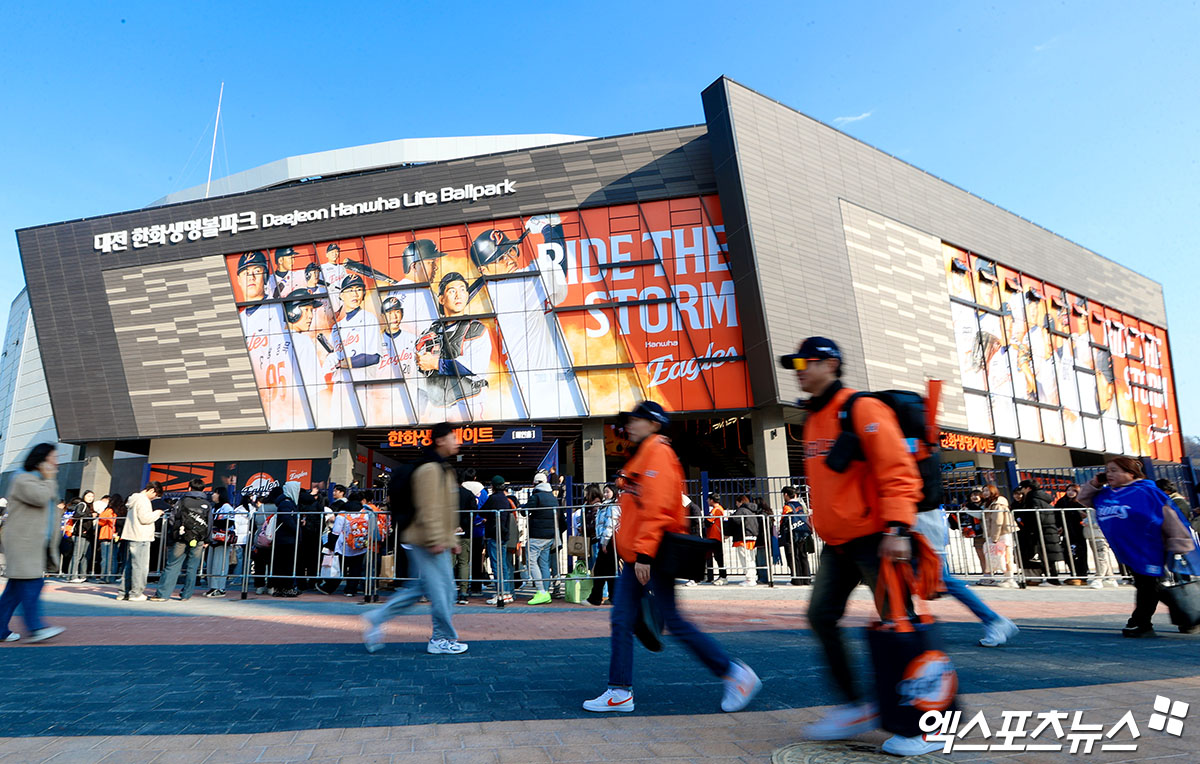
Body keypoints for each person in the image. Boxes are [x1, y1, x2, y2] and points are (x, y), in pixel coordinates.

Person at [783, 336, 935, 756]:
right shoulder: (814, 419)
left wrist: (898, 529)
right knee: (820, 617)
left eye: (805, 362)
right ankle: (856, 706)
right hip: (839, 544)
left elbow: (898, 470)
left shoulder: (862, 408)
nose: (799, 369)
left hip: (877, 539)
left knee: (899, 625)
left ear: (830, 364)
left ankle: (926, 724)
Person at [582, 401, 761, 715]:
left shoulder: (658, 455)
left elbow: (659, 511)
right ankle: (620, 690)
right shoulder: (646, 453)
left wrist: (644, 555)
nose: (630, 425)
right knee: (628, 620)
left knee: (660, 621)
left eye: (637, 420)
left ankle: (733, 673)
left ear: (654, 424)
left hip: (650, 555)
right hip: (642, 555)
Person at [362, 422, 468, 655]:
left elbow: (444, 509)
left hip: (433, 539)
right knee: (443, 591)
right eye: (453, 437)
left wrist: (450, 539)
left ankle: (378, 616)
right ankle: (441, 638)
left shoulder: (441, 468)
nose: (457, 441)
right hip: (428, 540)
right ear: (440, 440)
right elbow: (428, 508)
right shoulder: (431, 469)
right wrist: (436, 539)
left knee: (422, 587)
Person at [1078, 458, 1200, 638]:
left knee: (1148, 585)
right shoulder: (1107, 494)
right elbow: (1084, 498)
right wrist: (1095, 482)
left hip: (1151, 547)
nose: (1109, 474)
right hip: (1129, 550)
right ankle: (1191, 616)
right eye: (1108, 471)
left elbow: (1169, 517)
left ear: (1131, 473)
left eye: (1114, 470)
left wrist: (1178, 541)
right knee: (1150, 585)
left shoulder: (1147, 492)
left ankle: (1140, 623)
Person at [916, 505, 1019, 647]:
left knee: (943, 579)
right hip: (916, 524)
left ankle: (992, 619)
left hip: (918, 525)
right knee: (941, 579)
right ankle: (992, 619)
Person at [0, 443, 66, 643]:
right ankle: (35, 627)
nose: (56, 462)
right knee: (32, 583)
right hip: (22, 542)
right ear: (41, 460)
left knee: (15, 589)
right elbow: (40, 498)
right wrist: (50, 478)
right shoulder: (22, 478)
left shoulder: (36, 480)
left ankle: (1, 629)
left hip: (32, 543)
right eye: (53, 457)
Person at [152, 478, 212, 602]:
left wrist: (172, 535)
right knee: (192, 566)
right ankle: (186, 594)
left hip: (181, 537)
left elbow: (173, 519)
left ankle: (163, 594)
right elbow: (210, 523)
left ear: (189, 488)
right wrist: (207, 539)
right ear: (203, 489)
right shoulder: (207, 504)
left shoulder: (182, 501)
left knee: (173, 565)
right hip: (199, 539)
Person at [525, 472, 567, 605]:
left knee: (531, 562)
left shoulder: (536, 496)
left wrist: (521, 508)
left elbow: (525, 510)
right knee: (544, 563)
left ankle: (541, 591)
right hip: (550, 536)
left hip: (537, 535)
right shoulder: (552, 497)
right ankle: (546, 591)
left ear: (536, 483)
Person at [120, 481, 165, 602]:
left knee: (130, 566)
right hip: (142, 536)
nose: (154, 498)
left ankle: (124, 592)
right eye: (155, 495)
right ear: (151, 491)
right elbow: (145, 519)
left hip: (132, 534)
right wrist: (157, 513)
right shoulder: (144, 500)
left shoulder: (133, 498)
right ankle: (136, 593)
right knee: (140, 567)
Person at [1014, 479, 1064, 584]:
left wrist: (1025, 523)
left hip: (1040, 531)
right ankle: (1052, 579)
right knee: (1047, 556)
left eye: (1022, 488)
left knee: (1044, 556)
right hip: (1046, 530)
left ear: (1028, 488)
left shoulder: (1033, 499)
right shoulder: (1041, 497)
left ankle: (1052, 580)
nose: (1021, 491)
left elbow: (1035, 517)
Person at [482, 475, 514, 604]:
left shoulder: (493, 499)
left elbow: (482, 512)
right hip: (504, 534)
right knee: (504, 565)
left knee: (496, 565)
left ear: (493, 486)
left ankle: (500, 594)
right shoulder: (505, 499)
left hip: (494, 534)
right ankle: (506, 593)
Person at [587, 484, 621, 606]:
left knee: (601, 570)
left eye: (608, 492)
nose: (605, 494)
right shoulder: (605, 505)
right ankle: (610, 597)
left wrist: (605, 542)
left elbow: (609, 525)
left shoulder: (612, 506)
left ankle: (596, 598)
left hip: (609, 542)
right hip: (606, 541)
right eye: (604, 492)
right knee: (608, 570)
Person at [979, 484, 1019, 588]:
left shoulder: (998, 503)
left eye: (987, 490)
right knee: (1002, 556)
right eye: (984, 491)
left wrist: (994, 537)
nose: (985, 493)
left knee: (1006, 556)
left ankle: (1010, 579)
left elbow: (998, 521)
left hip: (1001, 533)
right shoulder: (989, 503)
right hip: (997, 533)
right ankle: (1008, 578)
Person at [269, 483, 302, 597]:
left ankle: (281, 587)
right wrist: (296, 528)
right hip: (287, 539)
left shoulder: (284, 503)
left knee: (282, 564)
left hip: (285, 538)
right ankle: (285, 588)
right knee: (286, 565)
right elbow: (287, 519)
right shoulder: (286, 504)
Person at [205, 487, 236, 597]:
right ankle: (212, 586)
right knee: (211, 563)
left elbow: (230, 522)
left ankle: (220, 587)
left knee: (220, 564)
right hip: (213, 539)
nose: (213, 495)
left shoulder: (226, 507)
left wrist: (216, 523)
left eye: (215, 493)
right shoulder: (214, 508)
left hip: (222, 539)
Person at [1055, 484, 1088, 584]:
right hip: (1066, 532)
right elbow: (1056, 515)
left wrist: (1082, 516)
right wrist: (1058, 526)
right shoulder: (1061, 502)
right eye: (1068, 490)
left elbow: (1086, 515)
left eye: (1073, 491)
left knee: (1079, 553)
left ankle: (1081, 576)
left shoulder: (1081, 503)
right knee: (1067, 553)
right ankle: (1073, 573)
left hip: (1078, 532)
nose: (1070, 492)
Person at [779, 486, 813, 585]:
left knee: (793, 557)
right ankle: (806, 579)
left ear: (786, 494)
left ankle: (796, 580)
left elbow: (784, 521)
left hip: (792, 534)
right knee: (803, 556)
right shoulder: (802, 505)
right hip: (803, 533)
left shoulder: (787, 506)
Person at [727, 495, 760, 587]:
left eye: (737, 503)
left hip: (742, 537)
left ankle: (749, 579)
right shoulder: (752, 511)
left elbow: (734, 521)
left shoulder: (741, 510)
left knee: (745, 558)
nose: (736, 505)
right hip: (752, 536)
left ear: (740, 502)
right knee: (751, 559)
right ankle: (752, 577)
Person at [66, 490, 97, 583]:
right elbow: (77, 514)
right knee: (77, 555)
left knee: (84, 555)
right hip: (79, 533)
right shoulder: (82, 505)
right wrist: (90, 515)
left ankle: (83, 575)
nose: (90, 498)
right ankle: (72, 576)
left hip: (86, 534)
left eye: (92, 496)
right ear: (84, 496)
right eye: (88, 496)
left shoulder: (89, 506)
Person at [704, 495, 728, 585]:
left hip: (715, 536)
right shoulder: (720, 508)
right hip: (716, 536)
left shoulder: (716, 510)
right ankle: (722, 576)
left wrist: (706, 519)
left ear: (712, 500)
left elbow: (708, 522)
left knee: (718, 557)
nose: (707, 501)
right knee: (718, 557)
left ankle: (723, 576)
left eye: (708, 499)